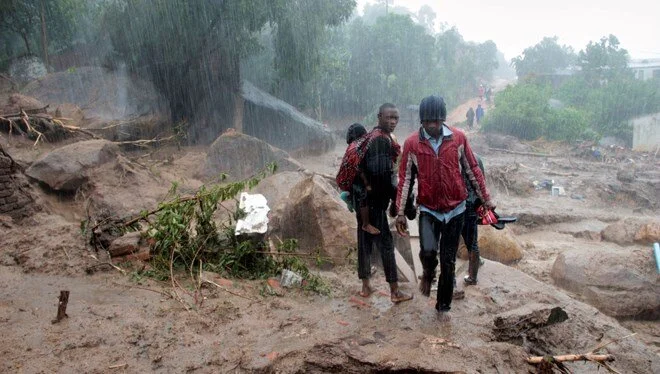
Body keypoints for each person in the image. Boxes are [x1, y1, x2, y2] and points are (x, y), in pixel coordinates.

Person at [395, 95, 494, 321]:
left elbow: (472, 170)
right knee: (428, 252)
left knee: (449, 261)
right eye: (427, 122)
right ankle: (428, 272)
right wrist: (400, 212)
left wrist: (486, 199)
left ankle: (443, 307)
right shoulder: (412, 144)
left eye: (436, 121)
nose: (432, 126)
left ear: (443, 119)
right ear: (421, 121)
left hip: (456, 210)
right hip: (429, 210)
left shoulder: (458, 139)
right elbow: (406, 179)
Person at [356, 103, 412, 304]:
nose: (393, 122)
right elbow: (381, 176)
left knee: (364, 244)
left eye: (396, 118)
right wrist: (396, 203)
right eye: (389, 118)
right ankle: (395, 291)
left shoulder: (370, 137)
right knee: (386, 245)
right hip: (374, 204)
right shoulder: (381, 141)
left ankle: (365, 286)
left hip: (362, 202)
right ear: (379, 116)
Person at [342, 123, 380, 235]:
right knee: (364, 195)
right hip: (356, 180)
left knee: (359, 193)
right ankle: (366, 224)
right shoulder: (359, 148)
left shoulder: (352, 147)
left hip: (348, 181)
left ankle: (348, 196)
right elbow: (359, 168)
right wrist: (367, 183)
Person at [462, 154, 485, 286]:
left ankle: (451, 280)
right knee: (472, 242)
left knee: (451, 243)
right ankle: (472, 277)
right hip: (472, 202)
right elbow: (482, 182)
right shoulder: (477, 158)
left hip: (456, 204)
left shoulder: (451, 156)